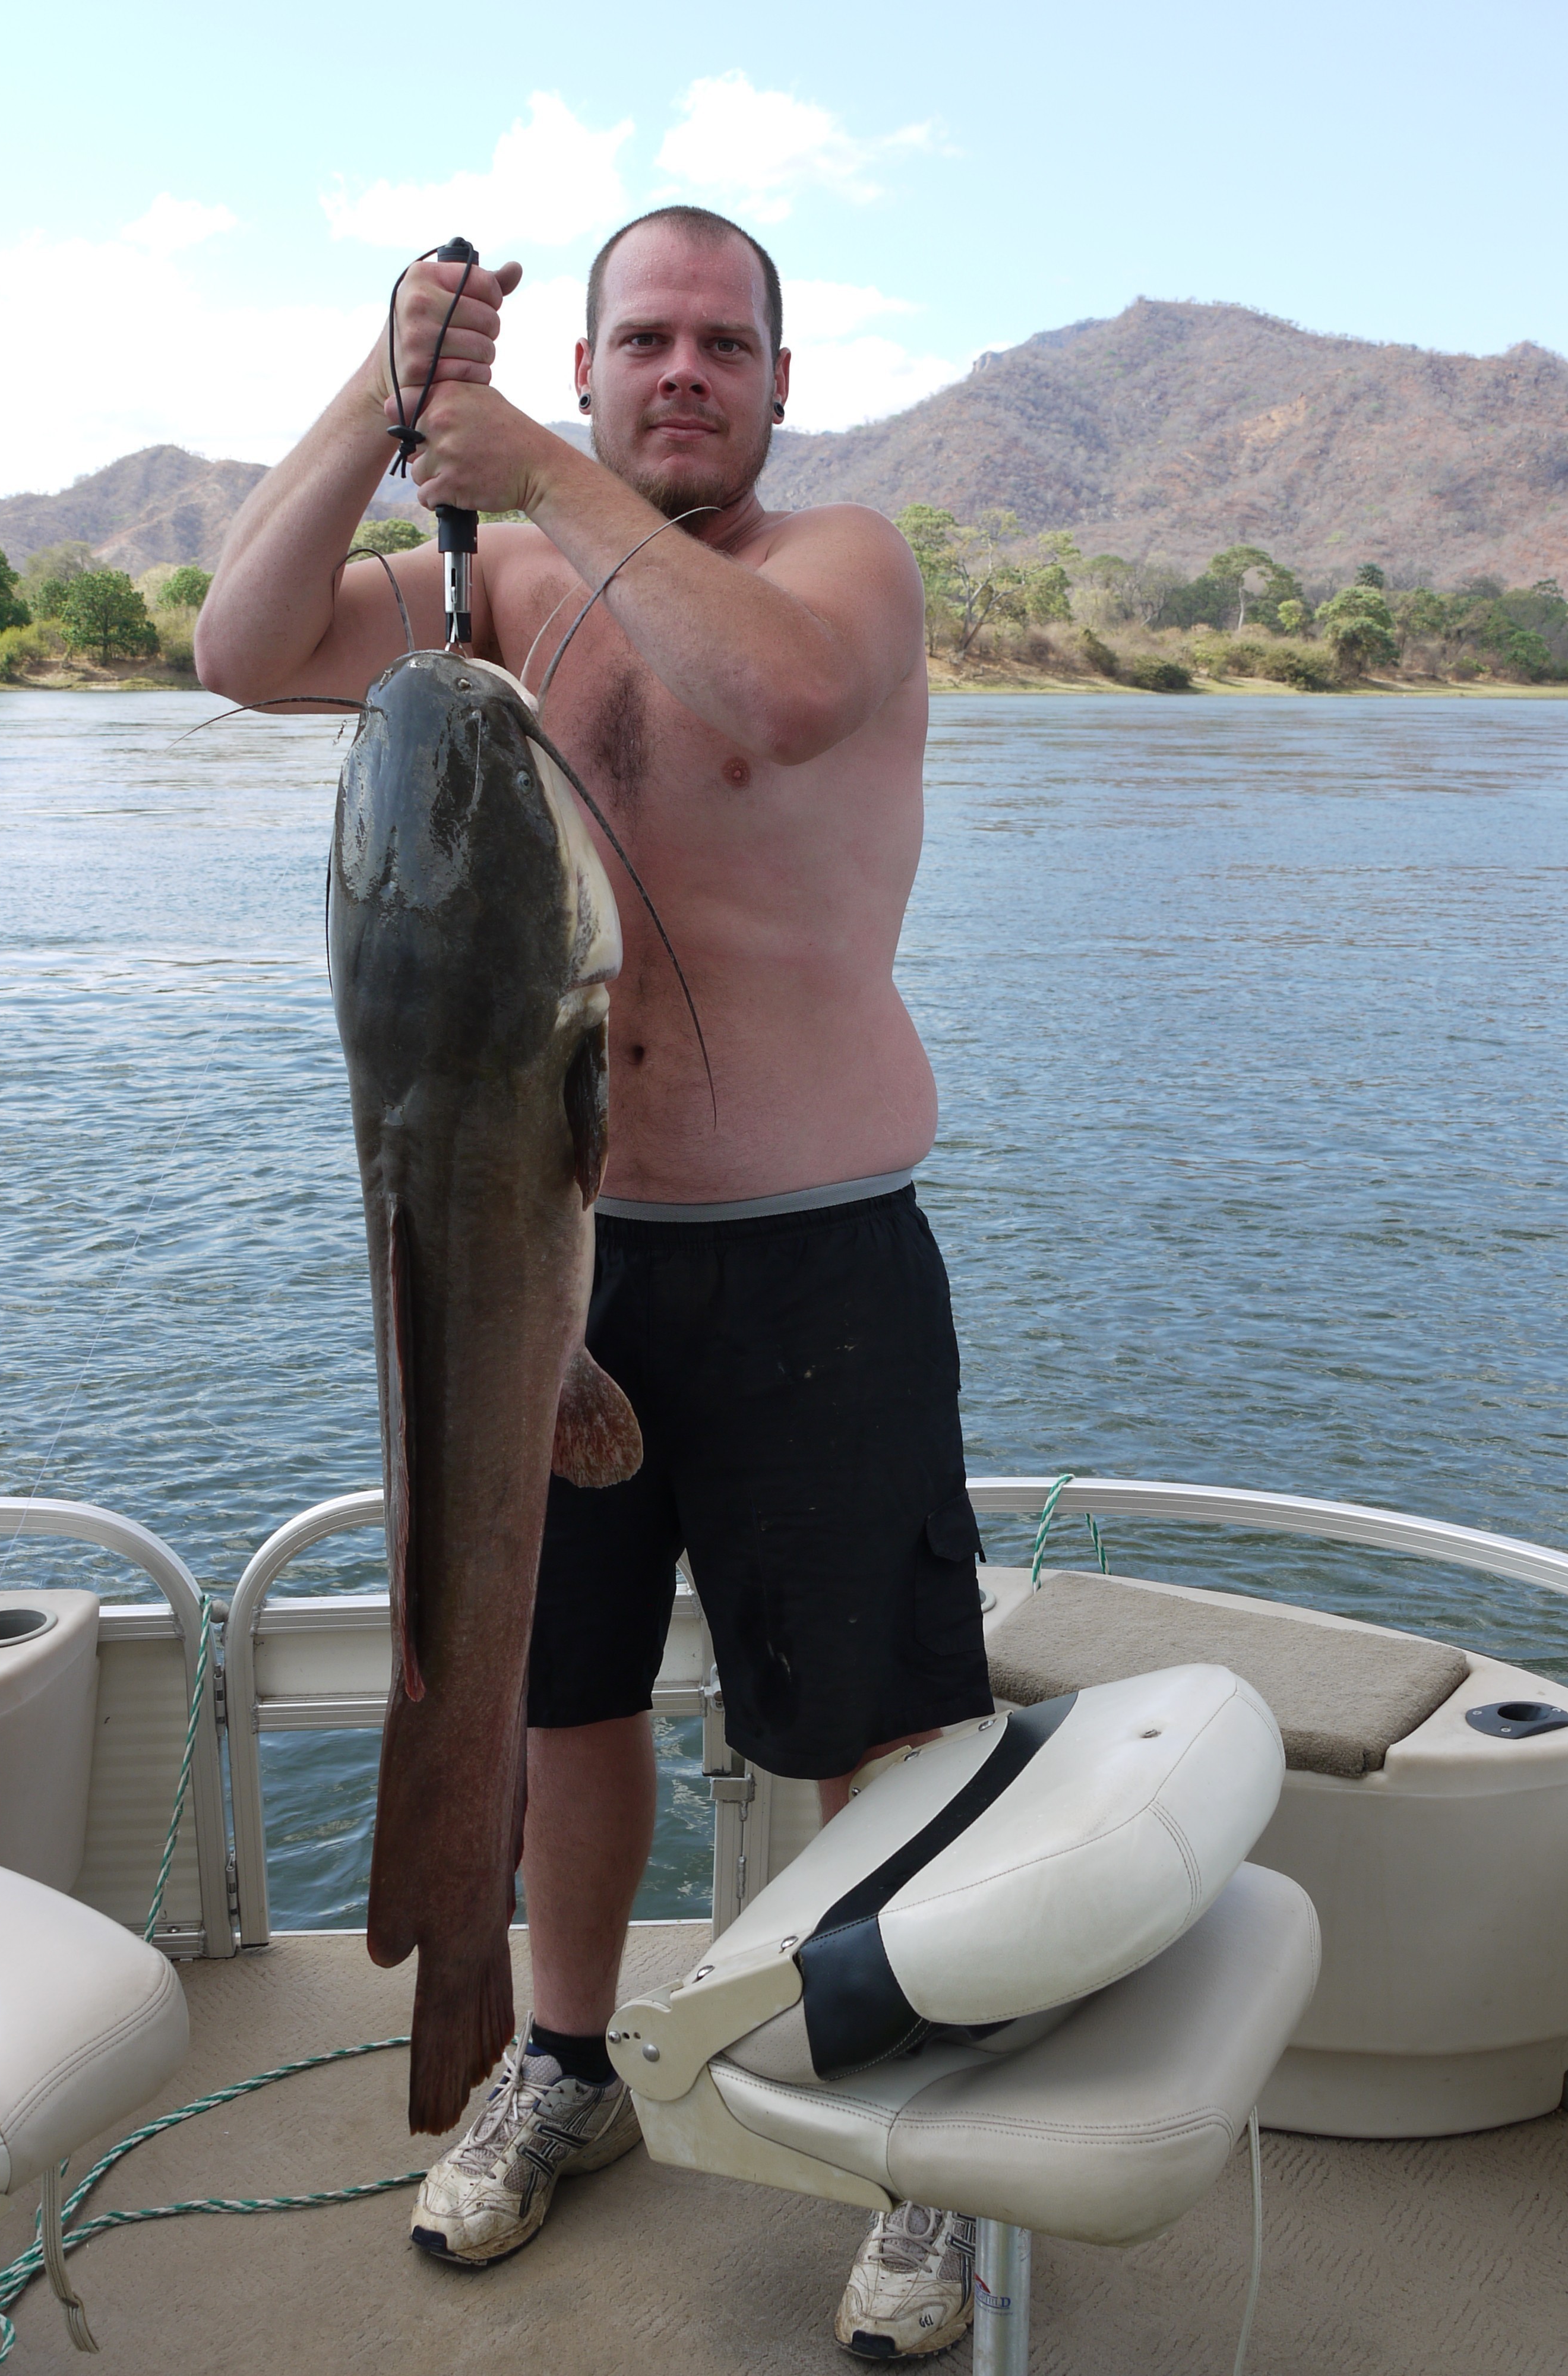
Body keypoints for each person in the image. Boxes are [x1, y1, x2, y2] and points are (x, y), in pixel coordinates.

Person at [197, 204, 991, 2361]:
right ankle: (564, 2064)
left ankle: (914, 2137)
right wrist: (384, 393)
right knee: (561, 1700)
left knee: (880, 1724)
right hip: (551, 1264)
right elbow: (241, 649)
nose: (679, 371)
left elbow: (788, 704)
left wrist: (539, 472)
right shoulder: (489, 593)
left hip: (814, 1259)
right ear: (586, 360)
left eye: (722, 345)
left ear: (778, 381)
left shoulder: (843, 571)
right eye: (641, 339)